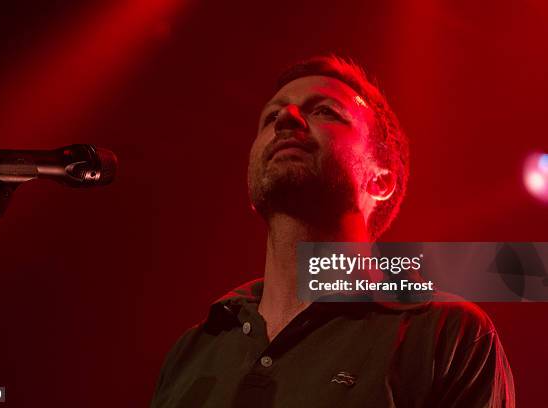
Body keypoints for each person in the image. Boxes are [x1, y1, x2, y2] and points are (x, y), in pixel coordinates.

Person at [150, 55, 515, 407]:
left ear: (380, 178)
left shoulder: (446, 332)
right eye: (270, 117)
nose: (287, 119)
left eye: (325, 111)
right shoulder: (195, 348)